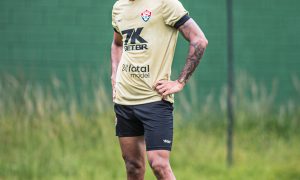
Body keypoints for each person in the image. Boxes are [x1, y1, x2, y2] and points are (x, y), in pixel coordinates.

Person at [111, 0, 208, 179]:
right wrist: (114, 75)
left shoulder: (166, 3)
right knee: (133, 166)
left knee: (159, 165)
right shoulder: (119, 7)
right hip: (124, 101)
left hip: (155, 100)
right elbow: (117, 44)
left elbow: (199, 40)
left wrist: (180, 82)